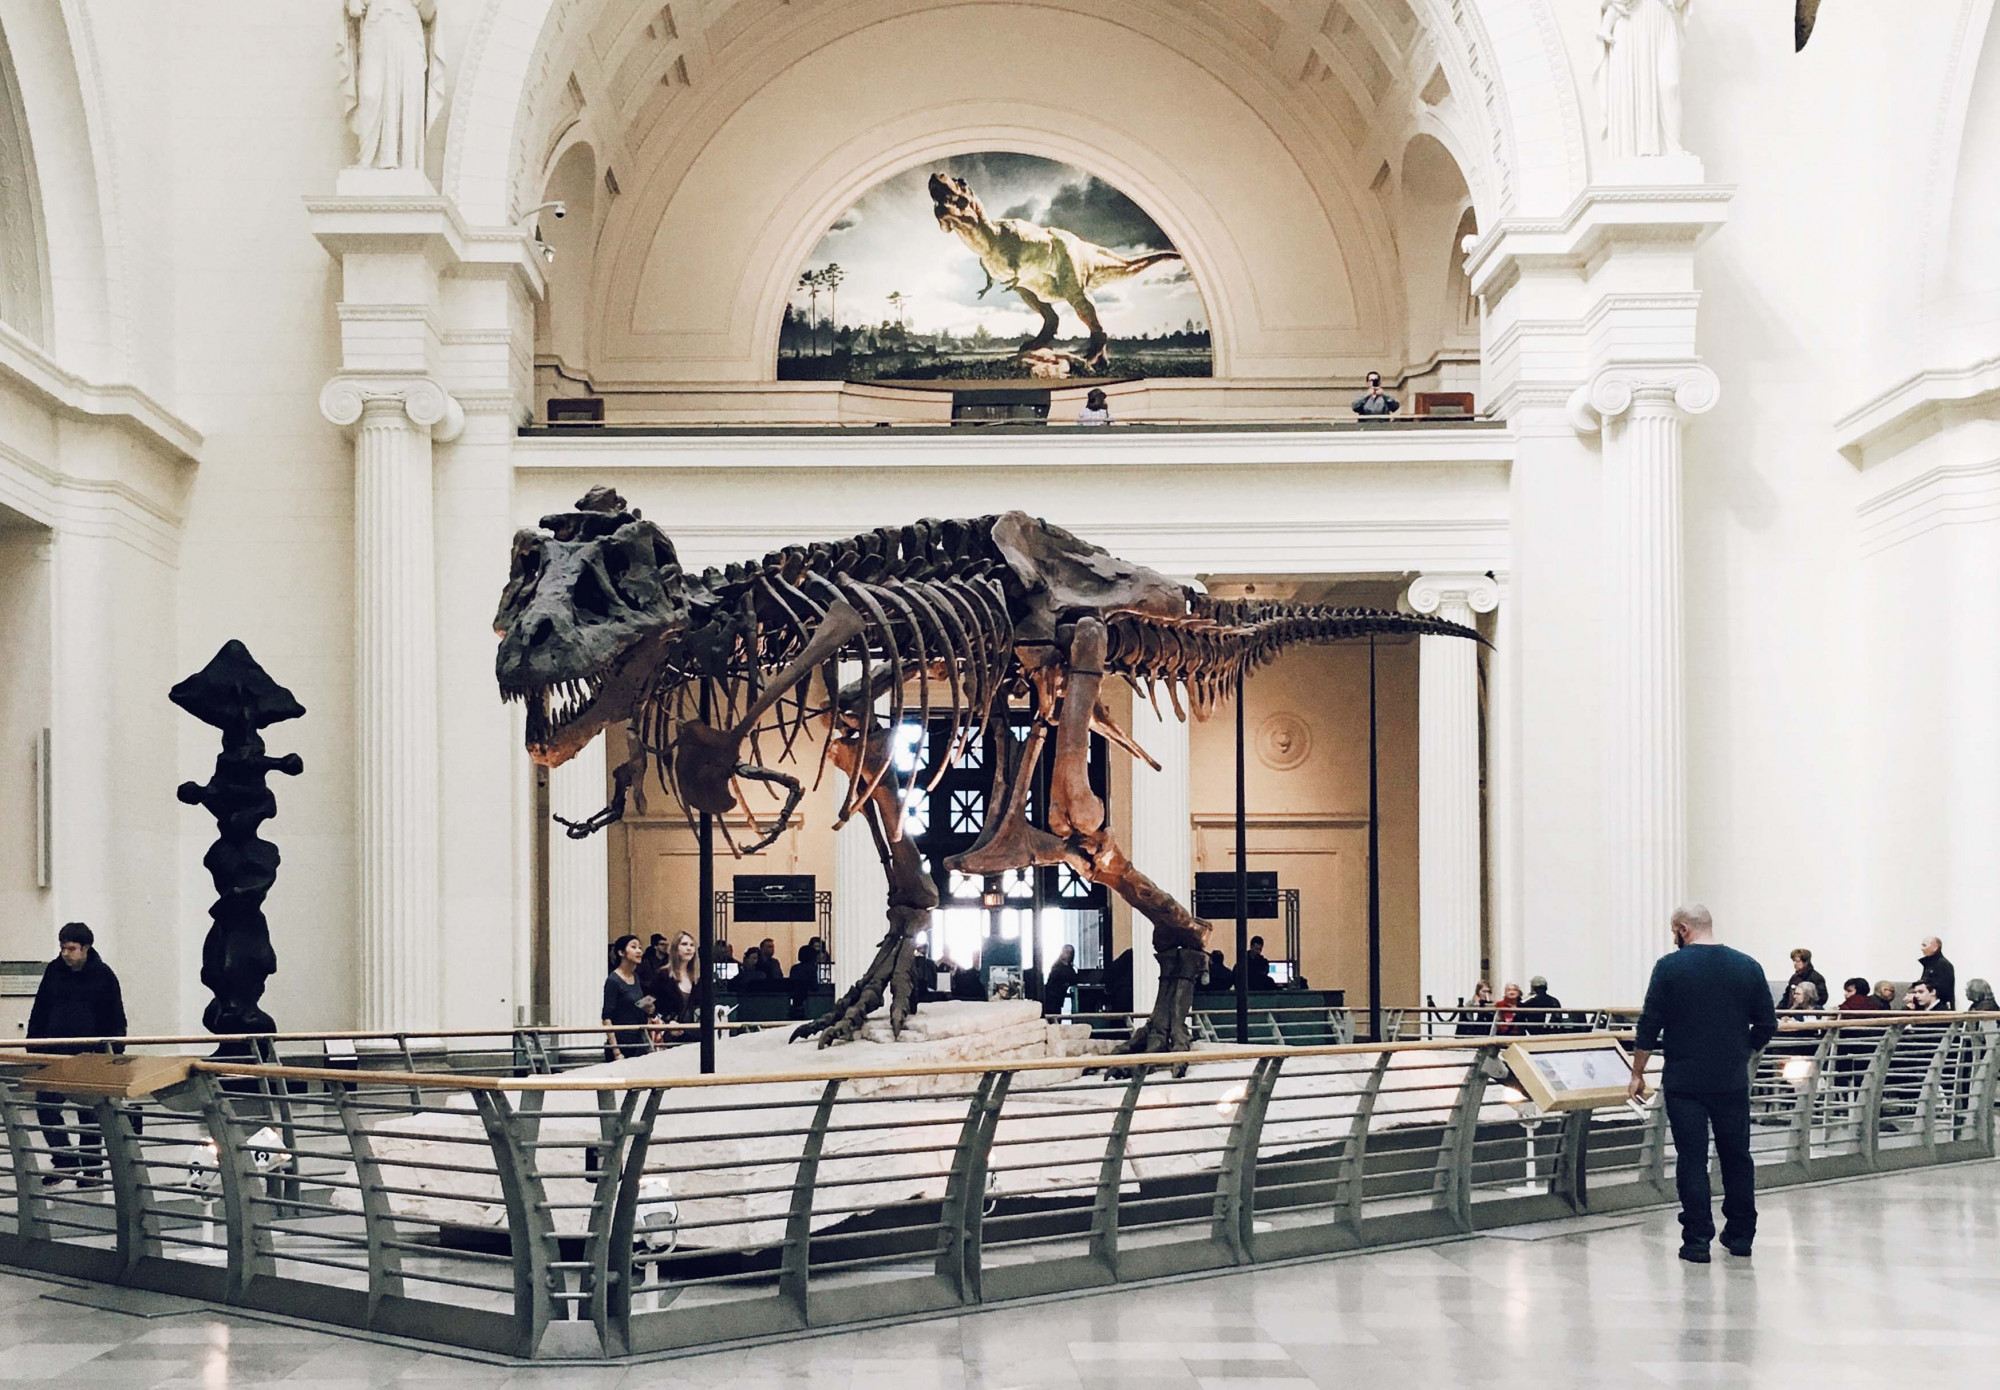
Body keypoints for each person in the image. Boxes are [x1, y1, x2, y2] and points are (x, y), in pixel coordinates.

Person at [1627, 904, 1777, 1263]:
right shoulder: (1747, 965)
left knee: (1691, 1160)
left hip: (1684, 1080)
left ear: (1681, 929)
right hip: (1731, 1079)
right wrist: (1743, 1051)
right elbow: (1768, 1023)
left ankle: (1696, 1241)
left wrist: (1637, 1072)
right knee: (1737, 1157)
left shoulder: (1669, 967)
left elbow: (1649, 1025)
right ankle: (1740, 1236)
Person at [27, 923, 127, 1186]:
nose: (65, 953)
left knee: (90, 1112)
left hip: (89, 1056)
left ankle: (92, 1168)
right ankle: (65, 1161)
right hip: (54, 1054)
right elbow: (41, 1009)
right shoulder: (53, 971)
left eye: (71, 948)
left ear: (85, 948)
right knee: (46, 1108)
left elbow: (115, 1017)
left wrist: (111, 1052)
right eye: (62, 948)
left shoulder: (104, 976)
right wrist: (34, 1046)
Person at [601, 935, 657, 1061]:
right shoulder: (613, 981)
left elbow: (633, 1003)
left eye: (640, 948)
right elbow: (607, 1017)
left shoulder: (636, 977)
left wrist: (648, 1008)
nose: (639, 951)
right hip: (622, 1044)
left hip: (639, 1042)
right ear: (621, 952)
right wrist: (616, 1052)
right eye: (633, 947)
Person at [653, 931, 701, 1032]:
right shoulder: (663, 975)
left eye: (692, 945)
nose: (689, 948)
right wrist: (667, 1023)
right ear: (675, 948)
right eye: (684, 944)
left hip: (695, 1035)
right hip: (670, 1034)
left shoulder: (698, 978)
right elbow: (654, 1006)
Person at [1917, 937, 1955, 1008]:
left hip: (1938, 1008)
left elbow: (1943, 989)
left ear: (1935, 947)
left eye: (1924, 945)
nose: (1921, 949)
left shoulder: (1942, 964)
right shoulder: (1930, 964)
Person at [787, 943, 821, 1020]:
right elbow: (815, 987)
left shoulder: (795, 969)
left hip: (796, 1003)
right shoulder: (813, 968)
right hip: (813, 1002)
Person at [1042, 945, 1077, 1018]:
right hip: (1051, 997)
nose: (1066, 954)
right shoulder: (1057, 966)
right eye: (1065, 952)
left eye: (1069, 953)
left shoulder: (1070, 968)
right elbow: (1051, 982)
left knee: (1057, 1017)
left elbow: (1074, 980)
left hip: (1059, 998)